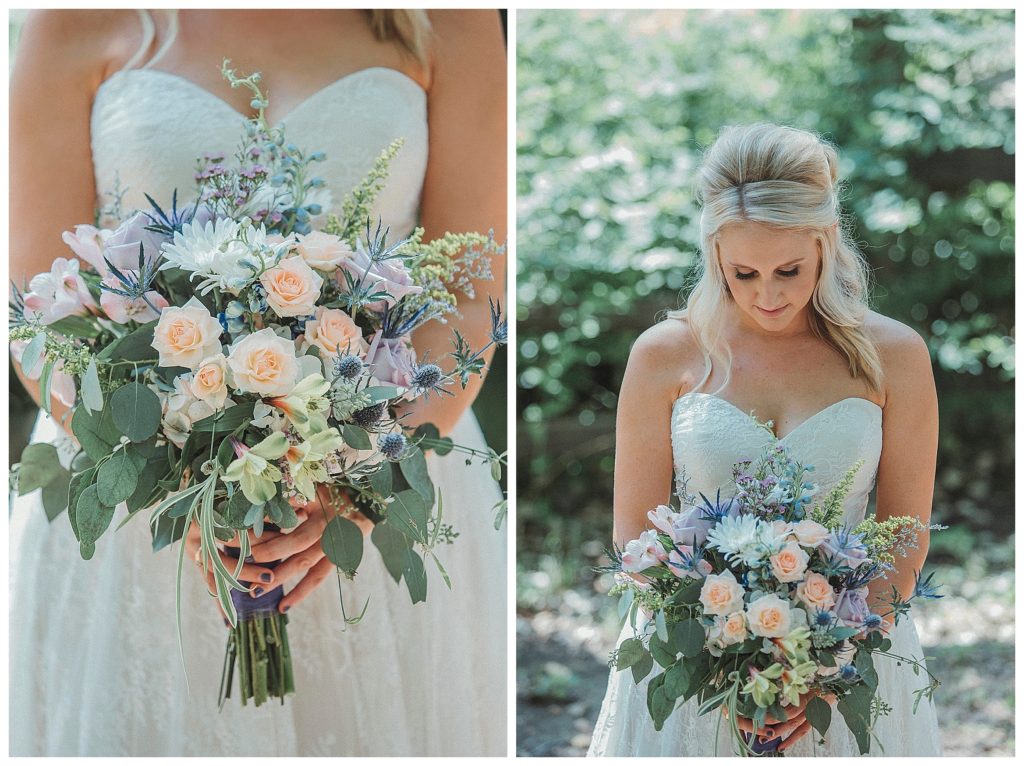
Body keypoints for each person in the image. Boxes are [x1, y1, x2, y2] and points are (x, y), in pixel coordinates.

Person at [9, 9, 506, 756]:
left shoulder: (445, 22)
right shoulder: (71, 19)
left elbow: (471, 296)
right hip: (138, 496)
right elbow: (31, 309)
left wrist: (362, 479)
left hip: (387, 460)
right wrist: (173, 475)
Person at [587, 123, 942, 756]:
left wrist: (824, 672)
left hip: (856, 654)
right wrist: (726, 654)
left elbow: (904, 540)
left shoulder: (895, 356)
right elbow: (633, 540)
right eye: (743, 273)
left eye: (789, 270)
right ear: (714, 251)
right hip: (692, 655)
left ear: (824, 243)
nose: (767, 295)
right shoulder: (664, 356)